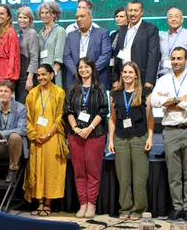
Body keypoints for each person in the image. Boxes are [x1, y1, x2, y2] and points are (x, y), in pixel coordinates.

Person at [151, 47, 187, 222]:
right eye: (173, 58)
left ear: (186, 60)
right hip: (170, 130)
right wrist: (179, 99)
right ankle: (177, 207)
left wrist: (167, 102)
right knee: (174, 173)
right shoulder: (163, 79)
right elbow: (154, 101)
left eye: (179, 58)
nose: (176, 61)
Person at [108, 62, 153, 221]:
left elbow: (150, 118)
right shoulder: (115, 94)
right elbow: (112, 119)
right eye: (124, 72)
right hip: (120, 139)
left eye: (130, 72)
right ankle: (125, 208)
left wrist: (150, 137)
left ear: (136, 75)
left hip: (139, 138)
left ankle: (139, 209)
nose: (127, 75)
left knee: (139, 178)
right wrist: (111, 140)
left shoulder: (145, 92)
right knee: (123, 177)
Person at [63, 57, 108, 219]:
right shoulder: (72, 89)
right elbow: (68, 110)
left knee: (93, 172)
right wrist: (75, 128)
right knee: (79, 171)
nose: (83, 70)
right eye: (80, 67)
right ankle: (82, 204)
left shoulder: (100, 88)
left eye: (86, 67)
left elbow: (103, 111)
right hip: (75, 135)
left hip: (95, 134)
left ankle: (91, 205)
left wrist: (89, 128)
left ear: (92, 69)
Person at [24, 64, 68, 217]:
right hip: (36, 139)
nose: (41, 77)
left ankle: (48, 203)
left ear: (52, 75)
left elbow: (60, 116)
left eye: (44, 74)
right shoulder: (32, 93)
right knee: (37, 170)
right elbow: (27, 117)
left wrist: (48, 135)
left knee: (50, 170)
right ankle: (39, 203)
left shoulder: (59, 93)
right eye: (38, 75)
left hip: (52, 138)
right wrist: (34, 135)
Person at [112, 0, 160, 89]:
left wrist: (149, 81)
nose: (132, 13)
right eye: (130, 10)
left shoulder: (150, 29)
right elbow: (117, 57)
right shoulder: (122, 30)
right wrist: (115, 79)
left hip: (141, 79)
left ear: (141, 12)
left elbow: (153, 56)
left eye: (135, 10)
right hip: (123, 79)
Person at [63, 8, 111, 88]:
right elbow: (66, 56)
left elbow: (105, 55)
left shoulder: (102, 33)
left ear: (91, 17)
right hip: (75, 80)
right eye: (77, 17)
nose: (79, 19)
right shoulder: (71, 35)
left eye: (82, 16)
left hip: (97, 79)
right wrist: (76, 73)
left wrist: (90, 72)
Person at [158, 7, 187, 78]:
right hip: (165, 77)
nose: (173, 19)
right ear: (167, 20)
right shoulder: (162, 36)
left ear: (182, 20)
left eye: (176, 16)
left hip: (185, 78)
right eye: (171, 17)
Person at [0, 4, 20, 100]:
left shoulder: (10, 31)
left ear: (8, 16)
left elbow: (13, 54)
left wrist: (9, 75)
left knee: (3, 98)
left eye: (2, 14)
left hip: (4, 70)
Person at [37, 1, 67, 88]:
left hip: (54, 74)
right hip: (42, 75)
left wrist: (53, 73)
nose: (44, 15)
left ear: (54, 14)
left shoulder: (60, 31)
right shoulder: (40, 33)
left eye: (47, 12)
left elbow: (59, 55)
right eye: (42, 13)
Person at [16, 6, 40, 103]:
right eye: (20, 17)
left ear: (30, 20)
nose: (22, 20)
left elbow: (34, 58)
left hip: (27, 74)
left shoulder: (32, 33)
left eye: (25, 18)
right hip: (19, 73)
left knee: (25, 104)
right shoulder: (19, 33)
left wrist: (29, 78)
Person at [109, 7, 127, 89]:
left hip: (124, 69)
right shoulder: (113, 34)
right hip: (113, 69)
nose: (118, 19)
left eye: (121, 16)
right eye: (117, 16)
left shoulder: (129, 34)